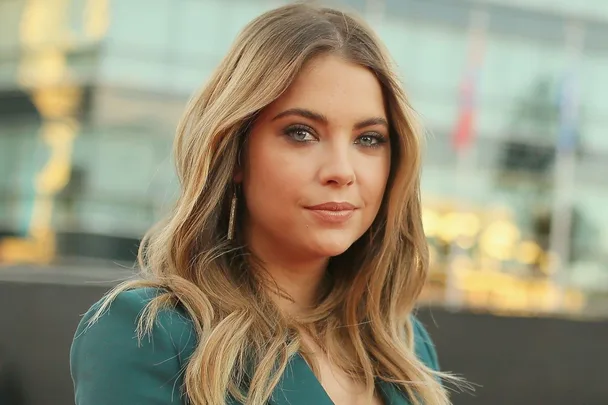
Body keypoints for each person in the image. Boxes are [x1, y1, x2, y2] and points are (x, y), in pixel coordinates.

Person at [70, 3, 459, 405]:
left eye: (368, 139)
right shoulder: (150, 334)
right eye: (301, 133)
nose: (342, 171)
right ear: (235, 151)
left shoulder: (404, 347)